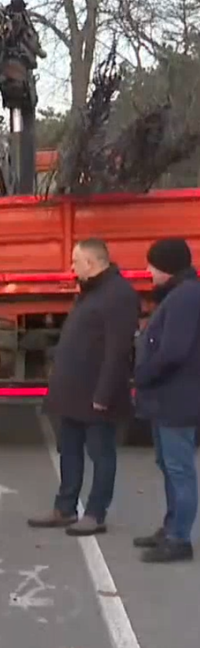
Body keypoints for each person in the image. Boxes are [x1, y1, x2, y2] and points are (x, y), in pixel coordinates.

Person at [28, 239, 140, 536]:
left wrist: (104, 394)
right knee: (69, 450)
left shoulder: (119, 295)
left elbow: (117, 350)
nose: (72, 267)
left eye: (76, 261)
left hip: (96, 393)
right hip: (72, 391)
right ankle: (64, 508)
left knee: (101, 454)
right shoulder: (91, 291)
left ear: (91, 263)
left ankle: (95, 513)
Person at [132, 238, 200, 563]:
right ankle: (172, 527)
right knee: (169, 466)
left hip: (177, 399)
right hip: (168, 397)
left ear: (167, 267)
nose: (149, 271)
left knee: (179, 469)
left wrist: (144, 373)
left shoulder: (185, 297)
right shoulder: (179, 294)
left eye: (153, 266)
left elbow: (173, 350)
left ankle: (179, 539)